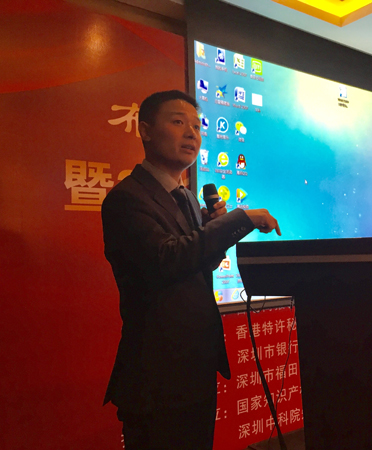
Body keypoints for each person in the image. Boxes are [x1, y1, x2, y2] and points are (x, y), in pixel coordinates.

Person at [101, 90, 280, 449]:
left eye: (197, 127)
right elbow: (167, 260)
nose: (191, 134)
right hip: (157, 377)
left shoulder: (186, 198)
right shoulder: (126, 199)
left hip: (195, 368)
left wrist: (212, 233)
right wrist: (239, 219)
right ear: (146, 130)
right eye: (178, 122)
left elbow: (196, 265)